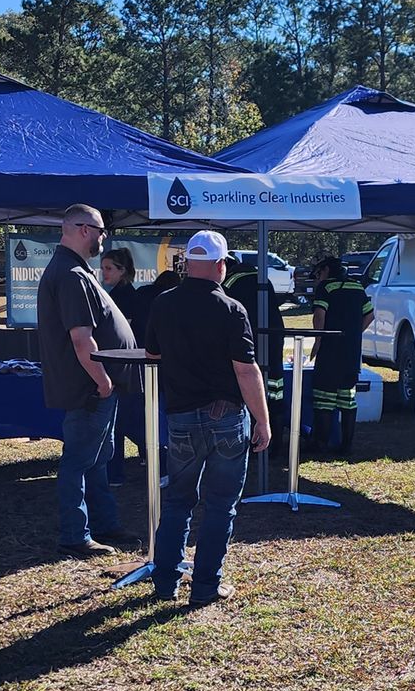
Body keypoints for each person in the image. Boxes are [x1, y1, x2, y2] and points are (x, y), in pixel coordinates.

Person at [144, 231, 272, 605]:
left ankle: (165, 583)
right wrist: (262, 421)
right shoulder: (232, 309)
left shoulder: (163, 303)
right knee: (220, 505)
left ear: (187, 264)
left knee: (178, 501)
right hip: (227, 418)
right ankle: (205, 587)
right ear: (221, 265)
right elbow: (246, 371)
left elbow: (152, 355)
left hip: (181, 416)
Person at [36, 204, 138, 555]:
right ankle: (76, 535)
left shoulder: (74, 270)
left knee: (96, 458)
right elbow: (82, 339)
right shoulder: (70, 274)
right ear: (82, 229)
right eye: (99, 230)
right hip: (90, 388)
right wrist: (104, 381)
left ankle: (103, 525)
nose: (102, 237)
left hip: (93, 386)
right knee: (79, 460)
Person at [223, 252, 298, 455]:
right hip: (273, 337)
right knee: (275, 389)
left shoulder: (230, 283)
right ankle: (277, 443)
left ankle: (254, 443)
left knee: (251, 390)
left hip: (249, 339)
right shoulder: (263, 278)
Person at [305, 255, 374, 456]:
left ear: (326, 270)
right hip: (351, 351)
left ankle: (321, 444)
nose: (317, 278)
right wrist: (353, 334)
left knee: (324, 398)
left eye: (318, 274)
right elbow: (369, 315)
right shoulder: (357, 287)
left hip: (330, 350)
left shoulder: (325, 288)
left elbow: (319, 315)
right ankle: (347, 446)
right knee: (347, 398)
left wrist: (318, 341)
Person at [98, 247, 150, 486]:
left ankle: (164, 460)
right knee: (121, 423)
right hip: (121, 365)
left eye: (109, 268)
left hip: (127, 367)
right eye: (103, 267)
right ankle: (115, 472)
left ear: (123, 270)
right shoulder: (116, 294)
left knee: (127, 422)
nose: (103, 272)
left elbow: (120, 335)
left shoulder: (126, 297)